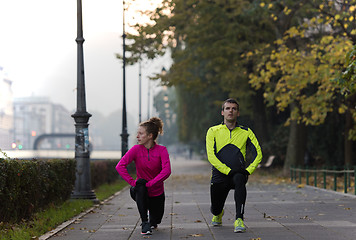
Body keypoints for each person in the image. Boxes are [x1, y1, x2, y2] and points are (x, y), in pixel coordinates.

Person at [206, 98, 262, 233]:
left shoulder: (246, 132)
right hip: (219, 174)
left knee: (240, 179)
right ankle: (218, 213)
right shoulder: (213, 131)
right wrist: (227, 171)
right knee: (215, 208)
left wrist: (248, 171)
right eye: (227, 108)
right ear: (222, 112)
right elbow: (211, 156)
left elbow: (258, 154)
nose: (230, 111)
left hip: (238, 173)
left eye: (234, 109)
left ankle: (239, 219)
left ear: (238, 113)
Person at [116, 117, 171, 235]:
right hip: (141, 192)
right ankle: (144, 222)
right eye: (138, 133)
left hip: (157, 193)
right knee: (140, 184)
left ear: (150, 136)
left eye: (141, 134)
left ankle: (152, 219)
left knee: (156, 220)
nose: (137, 136)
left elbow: (167, 171)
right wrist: (133, 183)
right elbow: (120, 166)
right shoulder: (136, 149)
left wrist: (151, 183)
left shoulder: (162, 150)